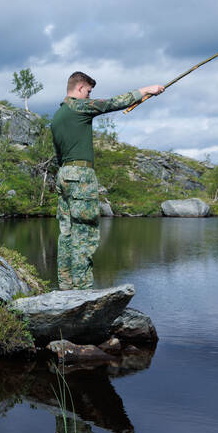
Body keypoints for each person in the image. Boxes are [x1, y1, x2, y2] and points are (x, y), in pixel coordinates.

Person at [50, 71, 164, 290]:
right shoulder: (78, 106)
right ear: (81, 88)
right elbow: (112, 103)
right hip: (80, 176)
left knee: (66, 233)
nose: (89, 96)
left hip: (63, 175)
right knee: (84, 232)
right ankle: (82, 291)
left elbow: (58, 155)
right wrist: (147, 90)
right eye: (89, 92)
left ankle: (66, 286)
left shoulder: (57, 116)